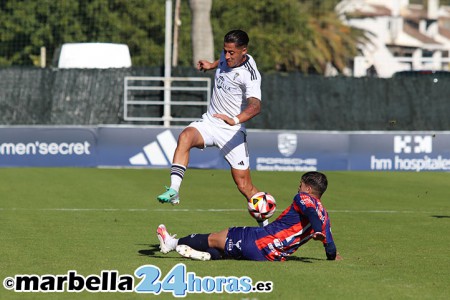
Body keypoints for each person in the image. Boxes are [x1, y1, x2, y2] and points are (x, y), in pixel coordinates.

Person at [156, 29, 262, 215]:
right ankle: (174, 190)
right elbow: (221, 61)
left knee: (244, 186)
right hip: (210, 122)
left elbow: (255, 106)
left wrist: (234, 120)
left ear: (244, 51)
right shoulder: (225, 55)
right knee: (185, 137)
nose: (227, 56)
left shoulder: (250, 74)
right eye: (225, 51)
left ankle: (268, 226)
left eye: (232, 53)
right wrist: (211, 65)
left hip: (232, 131)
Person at [156, 172, 341, 261]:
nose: (298, 188)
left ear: (308, 189)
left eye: (300, 185)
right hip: (273, 256)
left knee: (216, 237)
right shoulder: (325, 217)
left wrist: (316, 229)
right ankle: (207, 256)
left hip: (260, 240)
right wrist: (332, 255)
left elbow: (309, 211)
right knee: (228, 250)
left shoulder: (304, 198)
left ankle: (170, 243)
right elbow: (330, 248)